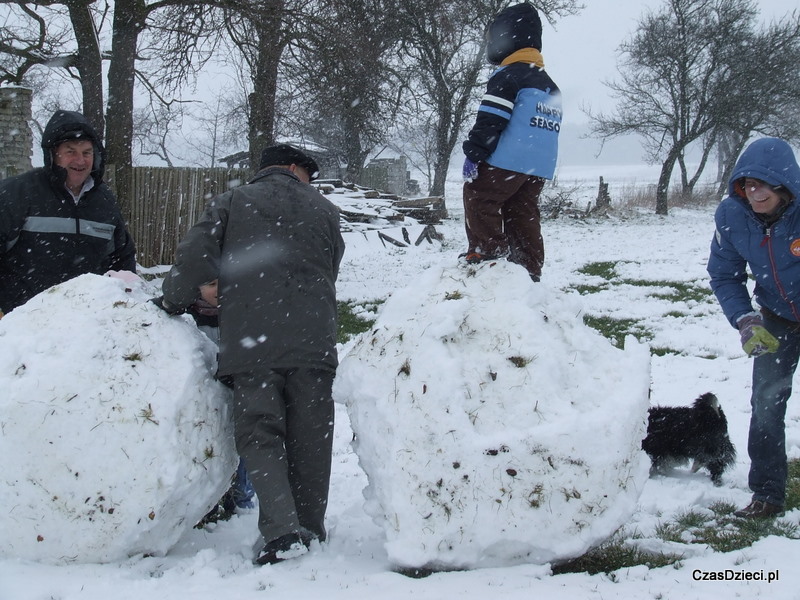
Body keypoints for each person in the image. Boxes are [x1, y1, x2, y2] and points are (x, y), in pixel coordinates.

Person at [158, 143, 345, 564]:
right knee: (312, 436)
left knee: (261, 434)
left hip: (253, 342)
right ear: (297, 169)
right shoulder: (324, 209)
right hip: (314, 342)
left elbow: (192, 258)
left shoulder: (232, 202)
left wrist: (174, 299)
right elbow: (331, 267)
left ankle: (281, 533)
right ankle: (311, 529)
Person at [707, 137, 800, 519]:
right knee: (765, 404)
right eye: (748, 184)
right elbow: (723, 275)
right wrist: (746, 319)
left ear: (784, 186)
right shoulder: (731, 215)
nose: (755, 193)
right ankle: (766, 494)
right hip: (776, 317)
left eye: (764, 185)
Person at [461, 1, 562, 282]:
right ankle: (528, 266)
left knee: (479, 196)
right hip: (537, 166)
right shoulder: (549, 84)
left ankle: (487, 253)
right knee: (522, 212)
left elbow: (492, 119)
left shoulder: (508, 76)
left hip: (508, 159)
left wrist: (475, 152)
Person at [0, 110, 136, 316]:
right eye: (70, 151)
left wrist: (126, 299)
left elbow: (121, 258)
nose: (80, 161)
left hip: (84, 325)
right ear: (53, 154)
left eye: (87, 152)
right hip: (24, 326)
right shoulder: (19, 193)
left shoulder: (104, 201)